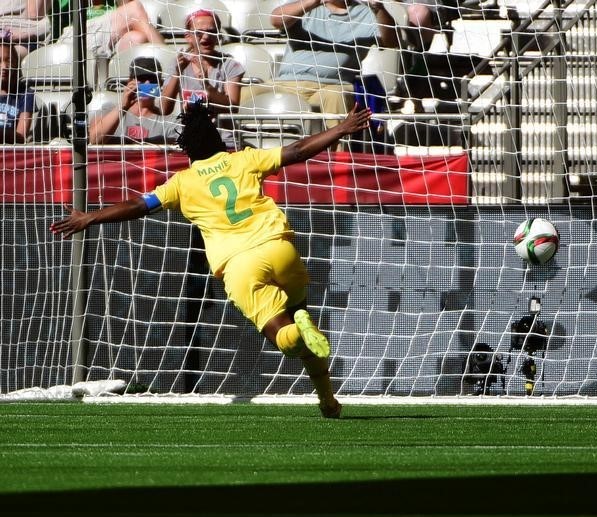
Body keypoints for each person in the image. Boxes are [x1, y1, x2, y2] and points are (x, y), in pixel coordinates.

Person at [51, 101, 373, 417]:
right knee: (298, 312)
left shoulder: (181, 183)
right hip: (279, 247)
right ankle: (328, 401)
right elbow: (298, 150)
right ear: (218, 139)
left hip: (240, 265)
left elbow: (138, 205)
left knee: (285, 338)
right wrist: (342, 128)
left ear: (187, 150)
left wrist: (90, 218)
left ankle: (298, 334)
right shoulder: (244, 160)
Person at [269, 0, 398, 130]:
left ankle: (337, 150)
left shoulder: (366, 13)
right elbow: (276, 20)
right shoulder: (304, 6)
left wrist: (378, 8)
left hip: (332, 85)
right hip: (285, 84)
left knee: (335, 96)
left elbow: (391, 42)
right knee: (248, 92)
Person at [160, 9, 243, 148]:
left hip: (223, 142)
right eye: (199, 33)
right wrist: (178, 73)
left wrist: (207, 86)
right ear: (188, 37)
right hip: (191, 141)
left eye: (211, 32)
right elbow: (164, 109)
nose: (206, 37)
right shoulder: (177, 63)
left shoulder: (230, 64)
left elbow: (232, 106)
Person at [88, 56, 177, 144]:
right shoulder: (109, 110)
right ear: (130, 81)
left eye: (152, 79)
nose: (147, 83)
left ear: (160, 83)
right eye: (142, 79)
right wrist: (123, 106)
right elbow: (94, 140)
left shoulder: (168, 121)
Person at [56, 0, 165, 57]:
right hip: (74, 38)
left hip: (109, 40)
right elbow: (38, 13)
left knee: (137, 38)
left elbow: (126, 5)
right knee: (135, 8)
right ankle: (170, 63)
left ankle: (122, 92)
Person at [0, 40, 33, 142]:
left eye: (9, 61)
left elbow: (21, 136)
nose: (4, 67)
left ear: (16, 63)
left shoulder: (26, 94)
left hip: (11, 153)